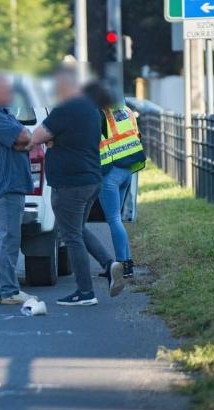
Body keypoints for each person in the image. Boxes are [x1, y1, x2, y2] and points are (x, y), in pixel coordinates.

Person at [30, 68, 105, 306]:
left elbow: (36, 136)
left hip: (70, 183)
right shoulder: (91, 108)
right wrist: (53, 139)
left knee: (71, 235)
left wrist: (50, 140)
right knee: (79, 229)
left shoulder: (65, 109)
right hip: (92, 179)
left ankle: (85, 292)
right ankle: (109, 263)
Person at [0, 73, 38, 305]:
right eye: (6, 89)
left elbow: (26, 139)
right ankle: (10, 292)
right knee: (8, 238)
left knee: (0, 239)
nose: (10, 94)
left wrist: (23, 140)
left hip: (8, 183)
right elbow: (24, 136)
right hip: (6, 184)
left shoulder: (3, 114)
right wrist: (22, 140)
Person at [85, 80, 146, 279]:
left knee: (113, 220)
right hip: (127, 169)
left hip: (109, 173)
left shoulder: (99, 115)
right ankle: (126, 263)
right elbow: (137, 135)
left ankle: (123, 266)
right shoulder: (126, 111)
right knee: (117, 220)